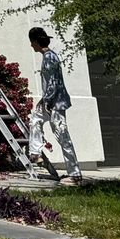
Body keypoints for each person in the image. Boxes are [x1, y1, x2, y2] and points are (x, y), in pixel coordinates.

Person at [27, 26, 83, 184]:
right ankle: (35, 153)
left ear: (37, 42)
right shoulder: (48, 56)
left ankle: (75, 175)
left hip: (55, 103)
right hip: (49, 100)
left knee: (63, 136)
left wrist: (48, 101)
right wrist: (43, 100)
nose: (31, 46)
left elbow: (53, 83)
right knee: (35, 119)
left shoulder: (50, 57)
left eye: (32, 42)